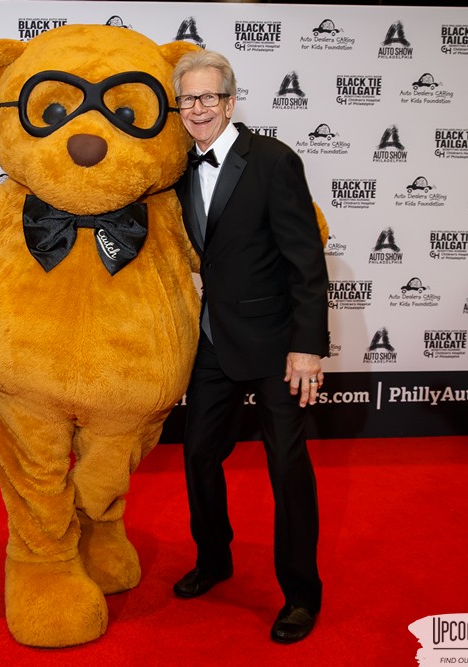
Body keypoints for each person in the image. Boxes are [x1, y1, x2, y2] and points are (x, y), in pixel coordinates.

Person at [171, 51, 329, 644]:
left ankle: (300, 594)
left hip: (275, 345)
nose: (199, 108)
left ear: (231, 102)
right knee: (196, 457)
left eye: (210, 97)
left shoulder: (272, 160)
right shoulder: (180, 169)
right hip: (214, 340)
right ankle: (215, 559)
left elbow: (305, 260)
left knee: (286, 470)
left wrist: (307, 347)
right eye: (188, 99)